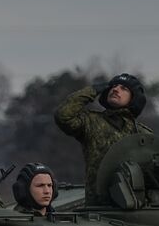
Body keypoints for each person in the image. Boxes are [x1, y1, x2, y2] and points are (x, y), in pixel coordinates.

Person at [54, 72, 151, 204]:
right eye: (114, 86)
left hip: (136, 206)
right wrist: (92, 90)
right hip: (99, 207)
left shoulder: (141, 133)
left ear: (133, 98)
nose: (116, 89)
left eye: (124, 88)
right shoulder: (92, 122)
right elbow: (63, 116)